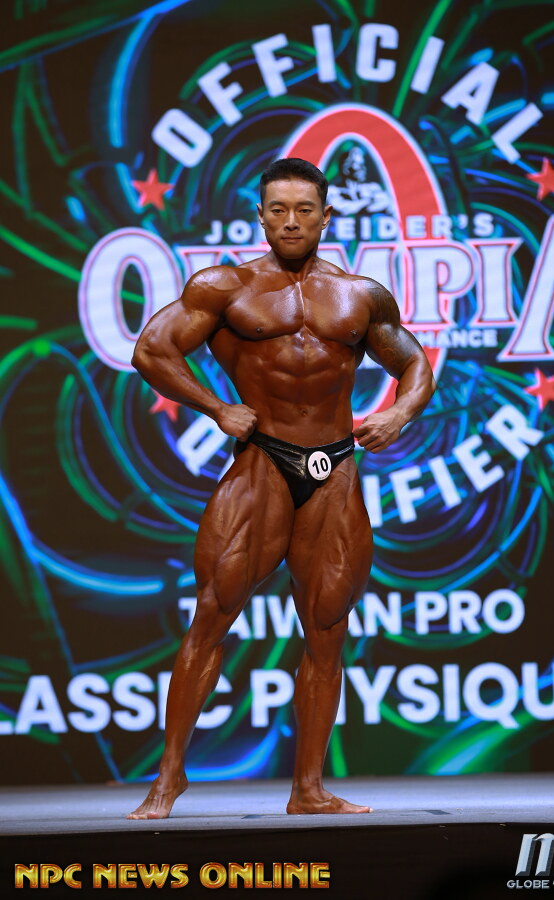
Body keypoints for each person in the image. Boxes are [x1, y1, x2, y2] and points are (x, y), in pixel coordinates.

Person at [127, 158, 435, 819]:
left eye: (304, 209)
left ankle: (309, 789)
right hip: (263, 462)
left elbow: (414, 362)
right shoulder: (225, 287)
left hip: (334, 468)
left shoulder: (361, 295)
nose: (291, 221)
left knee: (326, 626)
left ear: (327, 216)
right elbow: (151, 350)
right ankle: (168, 780)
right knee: (214, 613)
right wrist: (216, 408)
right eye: (278, 209)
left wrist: (399, 413)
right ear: (261, 217)